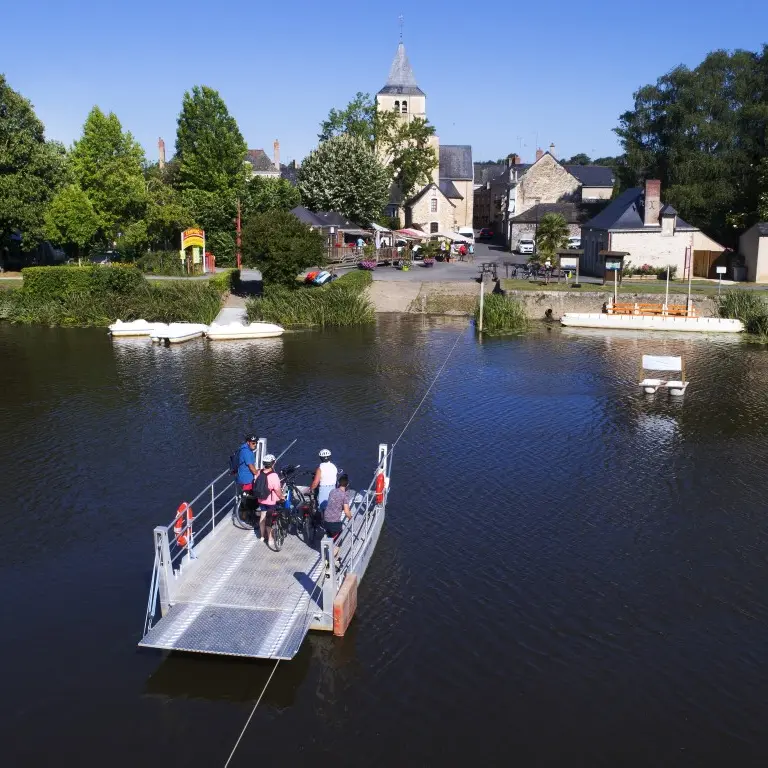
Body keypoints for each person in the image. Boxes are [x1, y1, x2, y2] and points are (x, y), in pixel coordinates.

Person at [254, 454, 284, 548]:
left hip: (261, 498)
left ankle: (262, 536)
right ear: (273, 463)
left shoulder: (259, 472)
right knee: (269, 519)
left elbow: (256, 483)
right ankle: (270, 538)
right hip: (270, 500)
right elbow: (277, 489)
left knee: (262, 516)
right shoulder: (273, 475)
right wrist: (282, 497)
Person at [323, 474, 353, 560]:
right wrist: (351, 518)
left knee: (331, 538)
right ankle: (330, 560)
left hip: (326, 520)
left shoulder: (332, 491)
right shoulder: (344, 496)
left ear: (338, 483)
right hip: (334, 523)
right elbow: (347, 512)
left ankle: (336, 558)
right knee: (339, 542)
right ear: (347, 485)